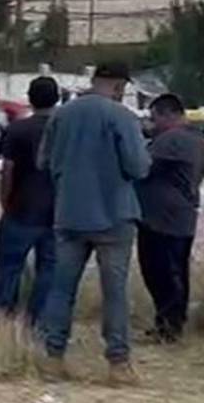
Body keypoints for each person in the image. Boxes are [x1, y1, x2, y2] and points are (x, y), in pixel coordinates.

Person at [37, 62, 150, 384]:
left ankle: (53, 357)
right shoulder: (122, 116)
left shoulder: (61, 115)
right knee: (114, 292)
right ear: (119, 86)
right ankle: (118, 363)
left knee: (62, 289)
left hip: (69, 213)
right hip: (113, 214)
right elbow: (138, 167)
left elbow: (43, 161)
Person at [0, 77, 59, 323]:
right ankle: (38, 320)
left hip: (21, 208)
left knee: (8, 268)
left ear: (30, 99)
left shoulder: (17, 129)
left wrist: (5, 200)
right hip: (56, 211)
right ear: (57, 99)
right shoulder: (64, 130)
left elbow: (7, 169)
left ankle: (2, 318)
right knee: (49, 269)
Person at [136, 94, 204, 344]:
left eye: (155, 119)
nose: (152, 124)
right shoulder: (196, 138)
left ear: (168, 115)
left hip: (162, 219)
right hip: (181, 215)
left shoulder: (171, 140)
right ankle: (171, 323)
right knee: (176, 271)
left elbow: (140, 165)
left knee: (160, 271)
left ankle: (169, 326)